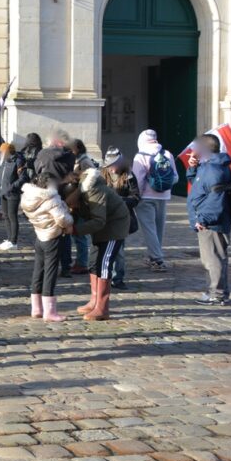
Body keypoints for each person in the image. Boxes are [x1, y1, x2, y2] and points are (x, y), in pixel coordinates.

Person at [69, 165, 132, 321]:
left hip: (114, 227)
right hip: (102, 228)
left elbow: (99, 220)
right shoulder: (82, 194)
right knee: (93, 263)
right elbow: (82, 212)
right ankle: (94, 301)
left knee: (104, 264)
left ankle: (102, 307)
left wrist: (75, 230)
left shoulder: (94, 191)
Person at [186, 134, 231, 306]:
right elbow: (199, 185)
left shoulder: (214, 168)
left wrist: (203, 218)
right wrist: (193, 167)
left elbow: (216, 197)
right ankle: (217, 292)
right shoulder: (208, 166)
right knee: (213, 258)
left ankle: (217, 294)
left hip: (212, 222)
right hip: (208, 220)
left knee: (213, 259)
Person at [20, 172, 74, 322]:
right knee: (50, 273)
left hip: (40, 235)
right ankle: (49, 311)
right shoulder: (52, 197)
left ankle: (36, 308)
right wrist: (71, 220)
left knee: (38, 271)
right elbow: (62, 219)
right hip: (53, 237)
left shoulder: (29, 195)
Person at [132, 129, 178, 272]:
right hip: (163, 197)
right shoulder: (167, 154)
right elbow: (175, 177)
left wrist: (135, 196)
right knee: (158, 229)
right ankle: (153, 257)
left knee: (149, 229)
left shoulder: (140, 156)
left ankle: (157, 259)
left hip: (145, 198)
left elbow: (137, 180)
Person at [101, 147, 140, 290]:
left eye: (114, 165)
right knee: (102, 249)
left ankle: (118, 278)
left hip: (122, 219)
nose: (111, 169)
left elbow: (136, 197)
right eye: (109, 166)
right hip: (104, 218)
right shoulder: (102, 174)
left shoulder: (128, 175)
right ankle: (103, 277)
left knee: (119, 251)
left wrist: (119, 201)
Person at [62, 138, 97, 276]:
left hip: (82, 202)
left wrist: (75, 178)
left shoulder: (84, 161)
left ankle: (82, 263)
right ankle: (80, 261)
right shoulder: (78, 160)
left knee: (80, 234)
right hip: (76, 201)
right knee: (77, 234)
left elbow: (90, 181)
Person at [0, 143, 25, 250]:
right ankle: (9, 238)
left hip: (12, 193)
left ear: (8, 151)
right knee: (6, 216)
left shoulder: (18, 161)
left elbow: (23, 178)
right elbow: (2, 175)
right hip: (3, 192)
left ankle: (14, 241)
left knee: (12, 216)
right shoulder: (4, 161)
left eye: (3, 152)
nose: (1, 154)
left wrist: (11, 187)